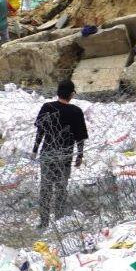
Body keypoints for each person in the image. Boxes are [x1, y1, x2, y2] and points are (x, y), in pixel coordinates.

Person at [32, 79, 89, 228]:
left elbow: (40, 132)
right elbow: (80, 137)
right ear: (71, 94)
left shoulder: (47, 107)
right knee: (61, 188)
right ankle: (59, 220)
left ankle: (43, 222)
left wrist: (35, 150)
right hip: (65, 156)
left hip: (48, 154)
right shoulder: (76, 112)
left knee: (46, 188)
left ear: (58, 93)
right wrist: (80, 155)